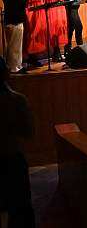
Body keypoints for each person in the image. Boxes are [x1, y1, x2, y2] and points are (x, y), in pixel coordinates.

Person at [0, 56, 35, 227]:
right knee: (21, 210)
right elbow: (29, 132)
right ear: (6, 73)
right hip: (13, 158)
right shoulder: (18, 100)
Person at [0, 0, 36, 74]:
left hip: (12, 17)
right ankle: (15, 67)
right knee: (14, 45)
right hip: (14, 18)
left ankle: (16, 66)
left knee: (14, 45)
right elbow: (20, 0)